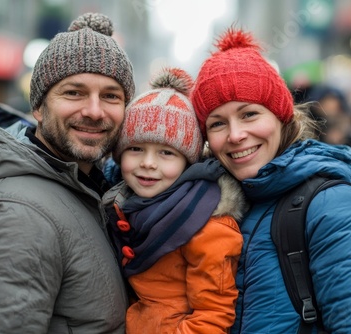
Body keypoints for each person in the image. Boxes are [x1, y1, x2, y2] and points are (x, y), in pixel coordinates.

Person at [190, 26, 351, 333]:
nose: (235, 135)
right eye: (218, 123)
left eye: (249, 114)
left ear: (281, 116)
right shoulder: (224, 205)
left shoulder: (336, 208)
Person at [0, 12, 135, 333]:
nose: (94, 110)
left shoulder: (91, 189)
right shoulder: (20, 215)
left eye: (110, 96)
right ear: (38, 107)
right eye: (74, 92)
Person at [102, 67, 247, 333]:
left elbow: (213, 316)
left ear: (187, 163)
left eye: (166, 153)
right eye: (135, 149)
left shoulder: (207, 225)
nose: (147, 163)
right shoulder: (126, 208)